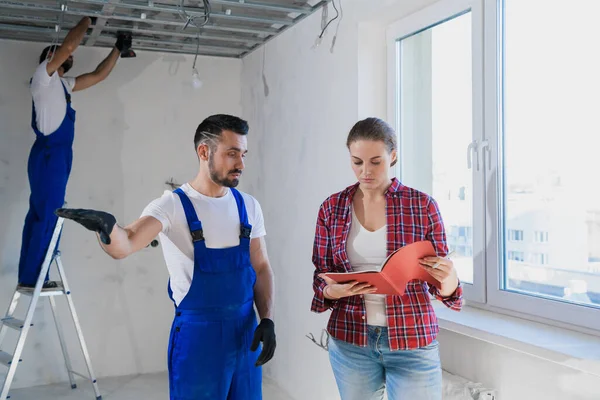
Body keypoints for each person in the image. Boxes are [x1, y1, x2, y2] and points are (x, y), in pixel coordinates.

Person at [55, 114, 276, 400]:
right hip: (199, 339)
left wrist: (267, 319)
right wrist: (106, 228)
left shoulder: (248, 206)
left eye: (243, 154)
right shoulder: (172, 206)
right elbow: (126, 243)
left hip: (246, 333)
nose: (241, 164)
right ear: (204, 152)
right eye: (232, 154)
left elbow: (261, 266)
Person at [311, 117, 463, 400]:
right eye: (357, 162)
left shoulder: (422, 206)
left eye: (375, 161)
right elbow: (321, 273)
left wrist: (450, 280)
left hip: (412, 338)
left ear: (393, 156)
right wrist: (332, 290)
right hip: (350, 339)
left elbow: (443, 287)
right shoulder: (332, 208)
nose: (365, 171)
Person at [17, 16, 134, 289]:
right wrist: (88, 19)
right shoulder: (42, 79)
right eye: (58, 57)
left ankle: (33, 275)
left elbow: (97, 75)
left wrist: (117, 49)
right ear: (49, 58)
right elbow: (68, 48)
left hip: (57, 157)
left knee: (44, 214)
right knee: (48, 214)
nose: (67, 60)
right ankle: (34, 277)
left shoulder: (63, 86)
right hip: (49, 156)